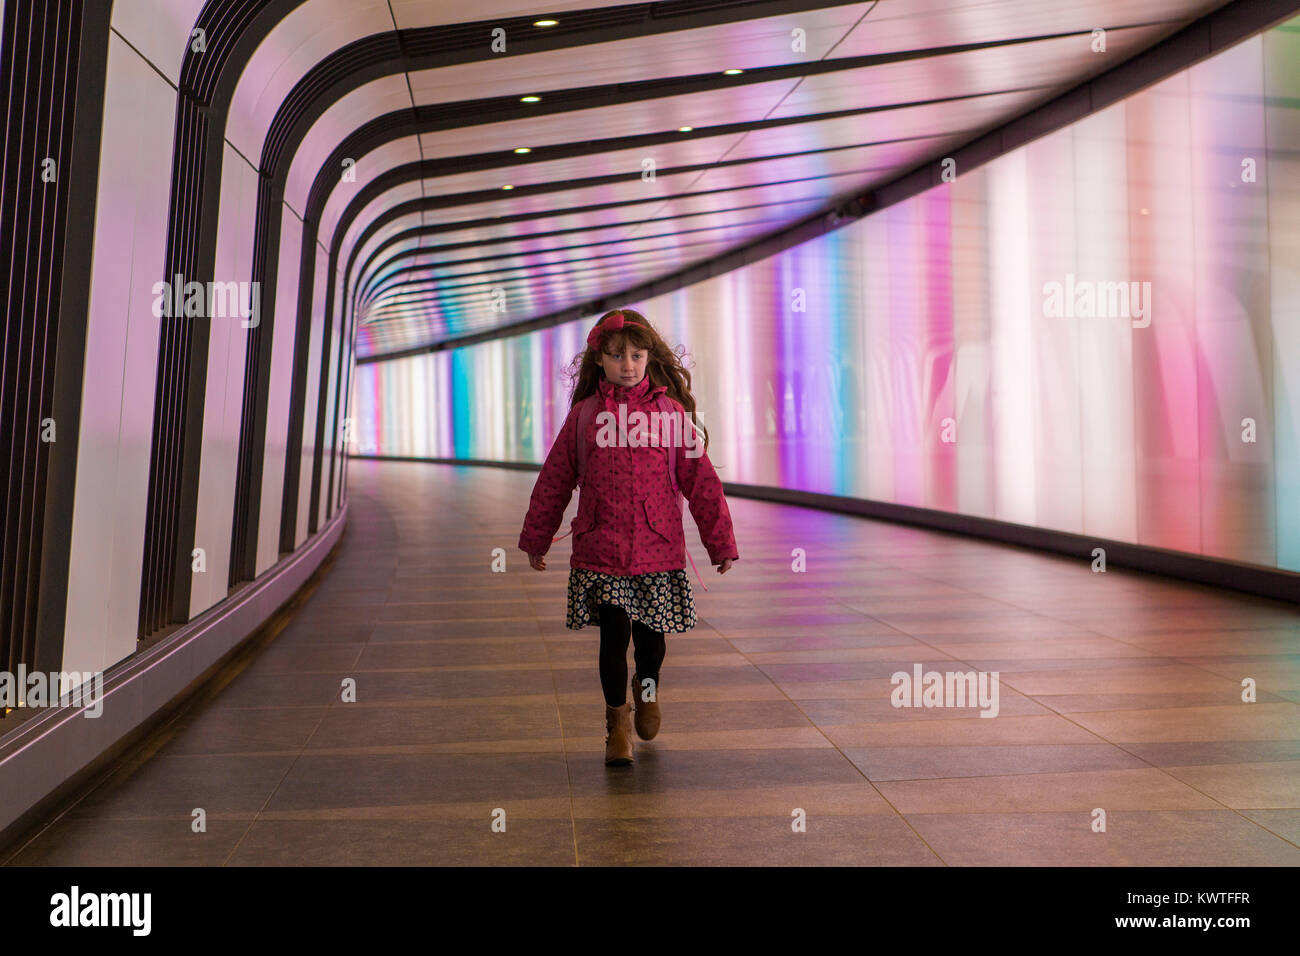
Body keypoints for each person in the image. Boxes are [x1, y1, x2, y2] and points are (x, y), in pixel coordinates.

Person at [518, 308, 738, 766]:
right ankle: (616, 724)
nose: (628, 365)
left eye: (636, 356)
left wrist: (720, 543)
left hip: (659, 551)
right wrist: (537, 539)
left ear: (648, 358)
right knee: (614, 635)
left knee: (652, 641)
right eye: (618, 356)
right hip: (602, 550)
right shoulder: (584, 418)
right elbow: (555, 479)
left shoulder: (671, 416)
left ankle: (647, 687)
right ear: (599, 359)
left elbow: (701, 483)